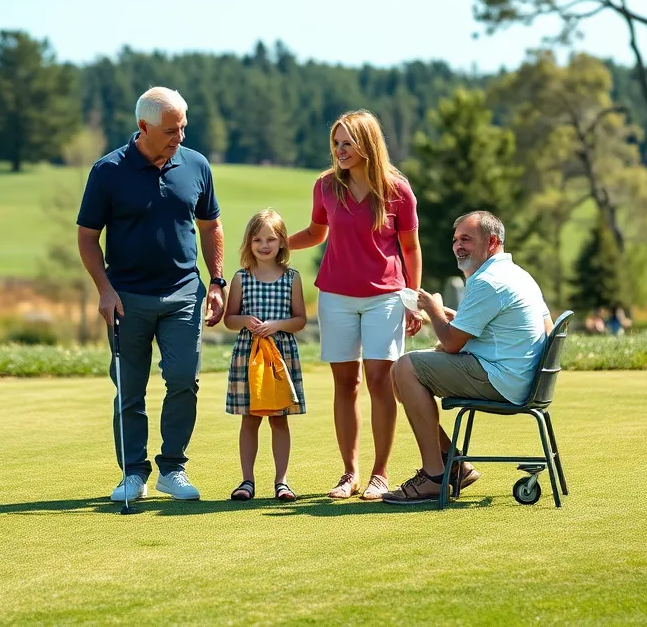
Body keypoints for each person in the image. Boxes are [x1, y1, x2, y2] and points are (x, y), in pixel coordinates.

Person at [76, 87, 227, 503]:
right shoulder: (107, 171)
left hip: (183, 294)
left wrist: (216, 282)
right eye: (170, 130)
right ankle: (133, 473)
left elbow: (211, 226)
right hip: (126, 298)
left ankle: (172, 469)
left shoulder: (195, 164)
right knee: (130, 388)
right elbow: (88, 239)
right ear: (143, 127)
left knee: (183, 380)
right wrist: (104, 290)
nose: (179, 137)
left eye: (182, 127)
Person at [288, 109, 423, 501]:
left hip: (386, 297)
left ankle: (380, 475)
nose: (340, 150)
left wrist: (413, 299)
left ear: (367, 143)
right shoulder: (326, 186)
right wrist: (280, 245)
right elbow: (316, 233)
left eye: (348, 142)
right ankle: (349, 474)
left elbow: (411, 248)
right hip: (335, 297)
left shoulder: (398, 189)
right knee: (345, 385)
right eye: (336, 143)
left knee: (381, 382)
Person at [383, 211, 553, 505]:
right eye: (456, 240)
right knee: (402, 377)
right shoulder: (518, 275)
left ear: (493, 241)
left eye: (466, 239)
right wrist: (455, 318)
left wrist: (431, 307)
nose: (458, 246)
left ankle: (435, 477)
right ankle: (456, 466)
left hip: (503, 381)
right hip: (523, 379)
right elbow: (542, 328)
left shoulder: (487, 281)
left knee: (405, 367)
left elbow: (450, 343)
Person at [224, 209, 308, 502]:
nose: (264, 245)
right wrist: (245, 320)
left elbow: (299, 320)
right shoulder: (240, 278)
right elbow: (229, 319)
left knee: (279, 419)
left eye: (271, 239)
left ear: (282, 242)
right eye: (257, 239)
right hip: (249, 358)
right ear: (249, 243)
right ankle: (246, 481)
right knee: (250, 418)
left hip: (280, 359)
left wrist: (276, 326)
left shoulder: (292, 278)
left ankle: (281, 482)